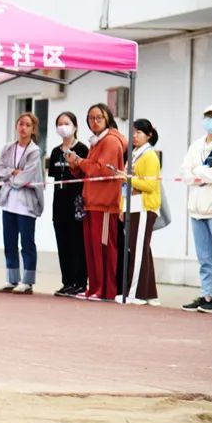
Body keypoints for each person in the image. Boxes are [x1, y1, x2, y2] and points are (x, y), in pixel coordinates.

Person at [67, 104, 127, 301]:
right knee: (91, 249)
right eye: (91, 118)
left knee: (104, 249)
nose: (94, 121)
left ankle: (106, 289)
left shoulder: (110, 141)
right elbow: (89, 170)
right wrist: (75, 165)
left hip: (105, 204)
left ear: (107, 119)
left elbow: (104, 170)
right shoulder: (96, 142)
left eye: (98, 118)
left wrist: (80, 161)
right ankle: (94, 287)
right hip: (91, 202)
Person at [179, 103, 212, 313]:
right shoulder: (197, 144)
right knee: (204, 258)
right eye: (208, 116)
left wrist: (197, 174)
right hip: (197, 208)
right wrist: (202, 173)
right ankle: (207, 294)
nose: (211, 120)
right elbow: (185, 172)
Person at [0, 113, 45, 294]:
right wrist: (12, 172)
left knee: (27, 242)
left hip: (26, 203)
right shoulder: (8, 148)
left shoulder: (34, 151)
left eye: (27, 125)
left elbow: (27, 176)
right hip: (8, 201)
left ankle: (28, 281)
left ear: (33, 129)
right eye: (21, 124)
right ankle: (12, 278)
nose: (23, 128)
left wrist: (13, 177)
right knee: (9, 241)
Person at [114, 119, 161, 306]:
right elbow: (125, 185)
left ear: (149, 135)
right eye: (133, 132)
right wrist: (121, 206)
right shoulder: (134, 154)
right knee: (141, 249)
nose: (135, 135)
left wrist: (128, 178)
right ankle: (148, 293)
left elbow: (150, 184)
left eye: (139, 132)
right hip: (132, 207)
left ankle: (134, 294)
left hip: (143, 208)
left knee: (138, 251)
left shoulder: (149, 156)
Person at [47, 112, 89, 297]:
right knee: (62, 242)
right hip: (59, 201)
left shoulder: (82, 149)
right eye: (60, 123)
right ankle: (67, 281)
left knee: (76, 241)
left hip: (76, 201)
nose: (63, 126)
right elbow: (54, 176)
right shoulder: (56, 151)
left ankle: (80, 282)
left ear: (75, 127)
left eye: (67, 123)